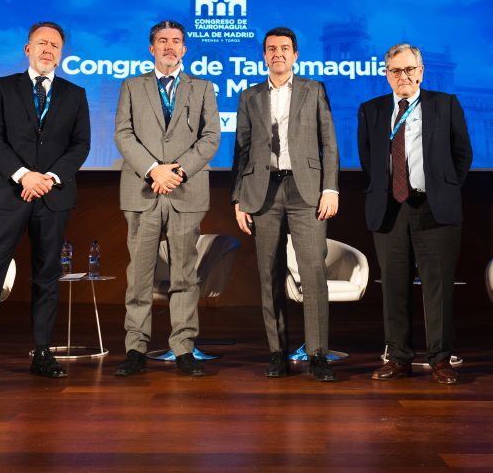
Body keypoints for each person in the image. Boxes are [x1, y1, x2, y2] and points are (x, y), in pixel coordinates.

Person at [0, 21, 91, 384]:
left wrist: (49, 178)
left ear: (62, 53)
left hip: (53, 197)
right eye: (42, 43)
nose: (48, 50)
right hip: (8, 193)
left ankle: (42, 353)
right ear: (27, 49)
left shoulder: (75, 94)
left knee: (46, 275)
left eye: (55, 45)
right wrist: (24, 175)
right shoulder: (2, 87)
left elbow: (80, 145)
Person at [356, 43, 472, 384]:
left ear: (420, 72)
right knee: (394, 288)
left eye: (409, 70)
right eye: (395, 71)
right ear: (386, 74)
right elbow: (369, 159)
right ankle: (399, 359)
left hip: (434, 208)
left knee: (437, 287)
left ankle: (439, 360)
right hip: (390, 210)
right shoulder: (371, 109)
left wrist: (443, 187)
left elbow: (462, 154)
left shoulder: (444, 104)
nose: (403, 76)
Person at [231, 27, 340, 382]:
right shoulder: (249, 96)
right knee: (269, 274)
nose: (278, 53)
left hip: (306, 189)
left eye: (284, 48)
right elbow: (242, 152)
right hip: (263, 192)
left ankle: (318, 354)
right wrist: (239, 198)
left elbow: (329, 143)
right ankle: (277, 352)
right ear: (264, 55)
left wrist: (331, 188)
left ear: (295, 55)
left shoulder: (314, 89)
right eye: (271, 48)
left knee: (312, 273)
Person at [113, 19, 220, 377]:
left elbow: (210, 138)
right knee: (139, 275)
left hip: (185, 191)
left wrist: (176, 172)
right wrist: (153, 170)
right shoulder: (131, 85)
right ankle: (135, 349)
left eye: (176, 41)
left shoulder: (203, 88)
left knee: (184, 275)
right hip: (143, 190)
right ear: (151, 48)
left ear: (184, 49)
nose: (169, 47)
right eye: (162, 41)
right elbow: (123, 134)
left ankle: (184, 348)